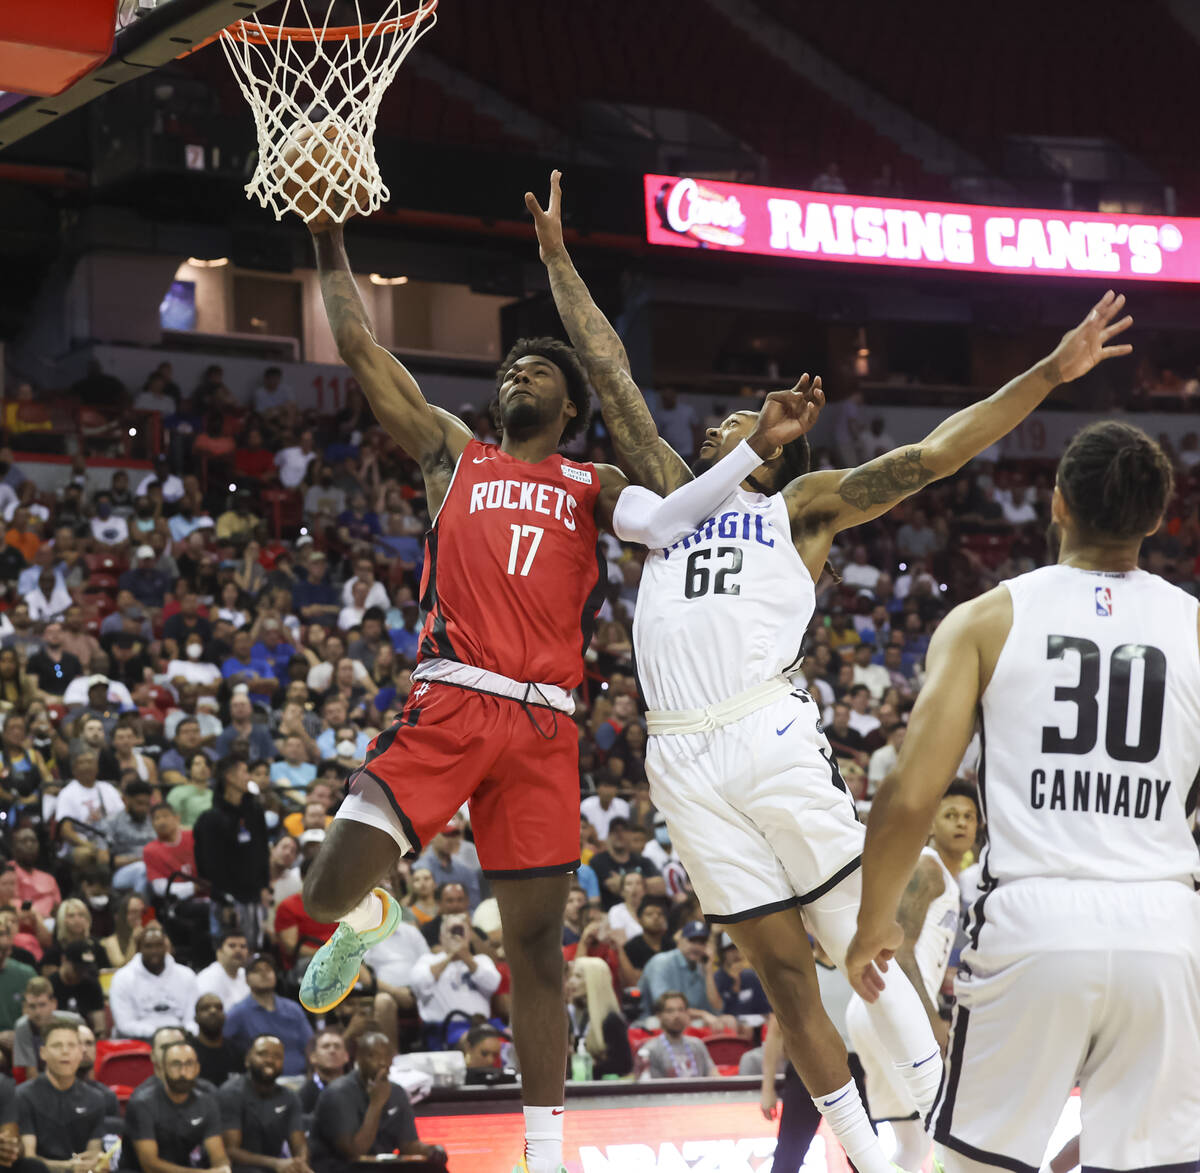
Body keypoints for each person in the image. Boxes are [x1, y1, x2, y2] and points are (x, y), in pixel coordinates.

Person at [531, 172, 1137, 1171]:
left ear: (766, 452)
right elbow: (609, 374)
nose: (724, 425)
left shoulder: (799, 506)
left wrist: (1047, 373)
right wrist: (558, 264)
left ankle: (958, 1134)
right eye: (720, 421)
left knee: (854, 938)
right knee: (781, 977)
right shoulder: (674, 499)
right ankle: (867, 1155)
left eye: (740, 423)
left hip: (764, 730)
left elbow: (934, 455)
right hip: (677, 755)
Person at [299, 203, 821, 1173]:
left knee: (539, 956)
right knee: (323, 890)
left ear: (568, 405)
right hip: (452, 700)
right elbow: (365, 348)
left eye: (534, 370)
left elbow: (668, 522)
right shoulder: (455, 454)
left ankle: (545, 1156)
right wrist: (331, 241)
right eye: (508, 370)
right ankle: (369, 915)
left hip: (544, 729)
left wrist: (756, 450)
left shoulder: (592, 481)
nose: (514, 377)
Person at [847, 419, 1200, 1172]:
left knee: (976, 1164)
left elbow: (911, 793)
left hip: (1033, 919)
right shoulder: (1196, 628)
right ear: (1154, 518)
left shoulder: (986, 618)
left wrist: (874, 923)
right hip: (1166, 927)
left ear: (1058, 503)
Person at [845, 781, 978, 1167]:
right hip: (892, 1005)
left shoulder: (945, 877)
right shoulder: (928, 868)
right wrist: (932, 1019)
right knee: (941, 1135)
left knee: (913, 1145)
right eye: (951, 815)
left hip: (876, 1006)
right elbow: (900, 950)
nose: (961, 823)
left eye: (969, 816)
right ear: (932, 824)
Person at [308, 1031, 445, 1172]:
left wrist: (431, 1151)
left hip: (377, 1166)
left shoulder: (397, 1092)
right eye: (373, 1056)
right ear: (359, 1059)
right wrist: (376, 1104)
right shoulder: (338, 1093)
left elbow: (407, 1145)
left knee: (434, 1168)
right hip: (340, 1167)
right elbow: (354, 1153)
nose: (382, 1062)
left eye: (387, 1056)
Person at [123, 1039, 230, 1173]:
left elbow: (218, 1154)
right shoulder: (142, 1104)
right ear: (162, 1068)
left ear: (197, 1068)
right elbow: (149, 1165)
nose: (183, 1072)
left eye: (189, 1064)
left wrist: (223, 1168)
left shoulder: (207, 1102)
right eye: (176, 1064)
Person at [16, 1018, 108, 1172]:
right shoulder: (23, 1096)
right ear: (43, 1053)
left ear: (80, 1052)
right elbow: (29, 1160)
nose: (65, 1051)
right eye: (57, 1045)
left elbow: (92, 1154)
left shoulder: (96, 1099)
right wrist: (68, 1168)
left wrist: (96, 1164)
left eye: (71, 1045)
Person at [218, 1034, 310, 1173]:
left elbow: (299, 1144)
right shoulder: (230, 1093)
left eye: (277, 1056)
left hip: (275, 1166)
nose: (270, 1060)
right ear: (247, 1060)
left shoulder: (290, 1097)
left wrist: (300, 1164)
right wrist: (275, 1163)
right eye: (262, 1054)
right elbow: (230, 1151)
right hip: (238, 1168)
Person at [408, 913, 501, 1048]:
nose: (456, 936)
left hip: (481, 1026)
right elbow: (419, 984)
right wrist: (450, 955)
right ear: (441, 937)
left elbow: (492, 984)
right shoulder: (427, 960)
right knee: (477, 1041)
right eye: (451, 932)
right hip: (443, 1030)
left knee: (513, 1039)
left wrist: (466, 957)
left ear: (468, 936)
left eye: (460, 931)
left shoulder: (481, 960)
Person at [223, 955, 313, 1078]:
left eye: (268, 969)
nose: (264, 974)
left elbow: (310, 1046)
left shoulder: (293, 1009)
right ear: (246, 980)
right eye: (257, 971)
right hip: (260, 1083)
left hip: (299, 1079)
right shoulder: (237, 1012)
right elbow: (222, 1044)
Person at [108, 924, 197, 1041]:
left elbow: (192, 1019)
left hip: (181, 1038)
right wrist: (161, 1034)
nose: (154, 951)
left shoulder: (186, 975)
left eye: (159, 945)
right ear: (139, 949)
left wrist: (185, 1032)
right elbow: (125, 1024)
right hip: (140, 1040)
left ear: (166, 947)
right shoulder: (122, 978)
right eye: (148, 946)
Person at [566, 956, 631, 1078]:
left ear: (594, 980)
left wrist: (589, 1065)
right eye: (572, 976)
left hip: (605, 1091)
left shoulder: (612, 1021)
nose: (571, 982)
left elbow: (624, 1064)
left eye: (578, 976)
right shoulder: (574, 1016)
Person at [12, 979, 84, 1079]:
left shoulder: (75, 1022)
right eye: (32, 1006)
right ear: (25, 1007)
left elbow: (86, 1061)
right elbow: (31, 1072)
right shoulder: (23, 1027)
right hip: (42, 1080)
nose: (37, 1012)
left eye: (42, 1005)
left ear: (53, 1003)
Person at [636, 992, 715, 1080]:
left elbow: (713, 1075)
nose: (677, 1015)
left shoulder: (697, 1044)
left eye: (681, 1010)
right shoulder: (651, 1050)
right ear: (659, 1016)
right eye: (670, 1011)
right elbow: (652, 1087)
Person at [48, 942, 105, 1038]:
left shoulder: (92, 984)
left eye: (86, 969)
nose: (82, 973)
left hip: (84, 1037)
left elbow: (100, 1027)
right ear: (64, 960)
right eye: (78, 968)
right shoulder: (50, 985)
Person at [193, 994, 245, 1089]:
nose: (213, 1011)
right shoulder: (188, 1052)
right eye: (205, 1008)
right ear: (195, 1018)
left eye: (218, 1007)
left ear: (225, 1016)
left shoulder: (237, 1051)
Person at [194, 932, 250, 1013]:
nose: (238, 950)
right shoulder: (207, 978)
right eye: (232, 946)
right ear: (219, 952)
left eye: (243, 946)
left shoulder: (247, 975)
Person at [299, 1031, 349, 1114]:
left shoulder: (355, 1090)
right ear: (313, 1057)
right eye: (326, 1046)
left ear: (346, 1056)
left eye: (337, 1046)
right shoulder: (304, 1095)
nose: (332, 1051)